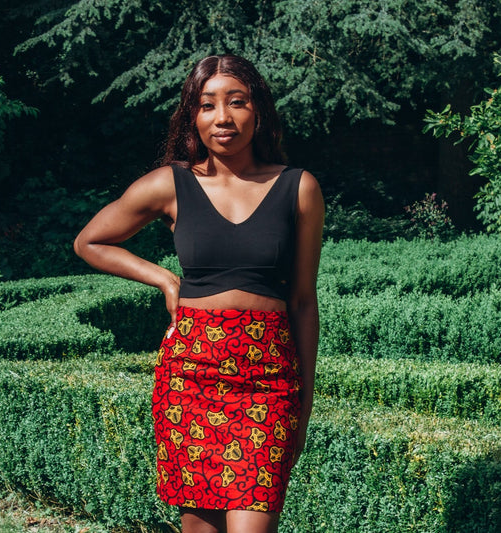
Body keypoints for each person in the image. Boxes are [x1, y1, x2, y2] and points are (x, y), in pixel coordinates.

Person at [74, 54, 324, 533]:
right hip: (191, 375)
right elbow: (90, 241)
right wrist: (165, 279)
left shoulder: (298, 188)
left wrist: (304, 401)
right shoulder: (172, 183)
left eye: (237, 102)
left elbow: (304, 302)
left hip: (266, 382)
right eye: (207, 105)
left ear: (259, 110)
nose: (223, 117)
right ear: (193, 115)